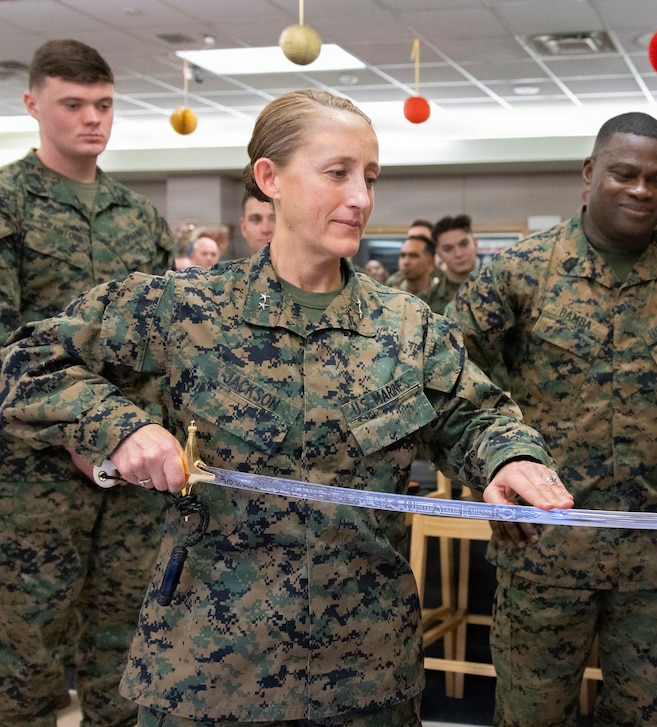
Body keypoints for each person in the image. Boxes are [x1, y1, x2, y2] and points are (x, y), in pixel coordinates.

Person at [0, 88, 574, 726]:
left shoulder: (405, 327)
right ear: (269, 179)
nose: (361, 197)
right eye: (337, 173)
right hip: (209, 672)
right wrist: (120, 428)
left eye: (370, 176)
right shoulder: (186, 309)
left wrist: (510, 461)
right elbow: (26, 361)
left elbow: (475, 416)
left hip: (364, 675)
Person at [447, 111, 657, 726]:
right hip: (544, 550)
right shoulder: (519, 273)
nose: (641, 191)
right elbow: (454, 378)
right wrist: (491, 472)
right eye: (624, 174)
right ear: (590, 174)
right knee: (532, 716)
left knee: (649, 716)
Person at [0, 39, 175, 727]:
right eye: (72, 105)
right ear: (33, 103)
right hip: (31, 470)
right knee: (26, 649)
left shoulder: (141, 220)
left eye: (103, 104)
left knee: (129, 643)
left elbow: (158, 347)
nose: (92, 120)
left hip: (131, 469)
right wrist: (84, 433)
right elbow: (7, 350)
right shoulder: (8, 206)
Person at [385, 233, 455, 312]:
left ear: (431, 262)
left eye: (414, 256)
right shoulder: (388, 293)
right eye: (403, 255)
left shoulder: (445, 293)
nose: (406, 262)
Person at [432, 213, 479, 288]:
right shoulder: (429, 299)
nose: (458, 254)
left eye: (464, 244)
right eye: (448, 249)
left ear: (475, 244)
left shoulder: (499, 290)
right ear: (439, 254)